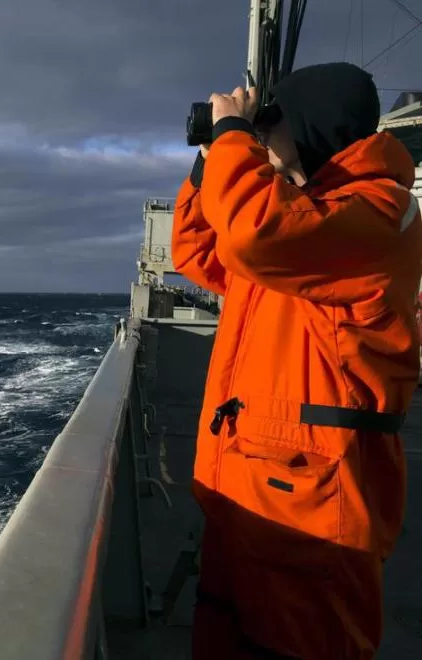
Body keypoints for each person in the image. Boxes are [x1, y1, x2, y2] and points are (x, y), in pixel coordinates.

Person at [171, 61, 422, 658]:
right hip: (254, 492)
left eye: (269, 125)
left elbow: (253, 234)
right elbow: (197, 250)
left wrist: (234, 137)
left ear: (309, 126)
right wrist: (211, 156)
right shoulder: (307, 218)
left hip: (315, 506)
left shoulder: (377, 213)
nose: (260, 139)